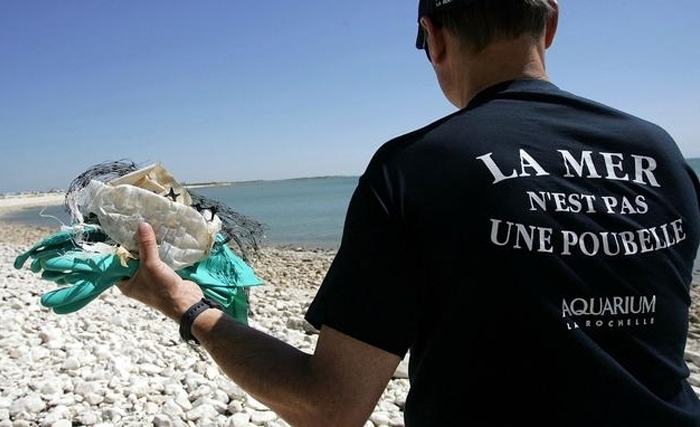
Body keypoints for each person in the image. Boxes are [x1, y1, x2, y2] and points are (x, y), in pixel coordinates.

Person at [118, 0, 700, 425]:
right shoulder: (663, 152)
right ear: (549, 24)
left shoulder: (415, 167)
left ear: (434, 36)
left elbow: (330, 407)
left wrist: (185, 306)